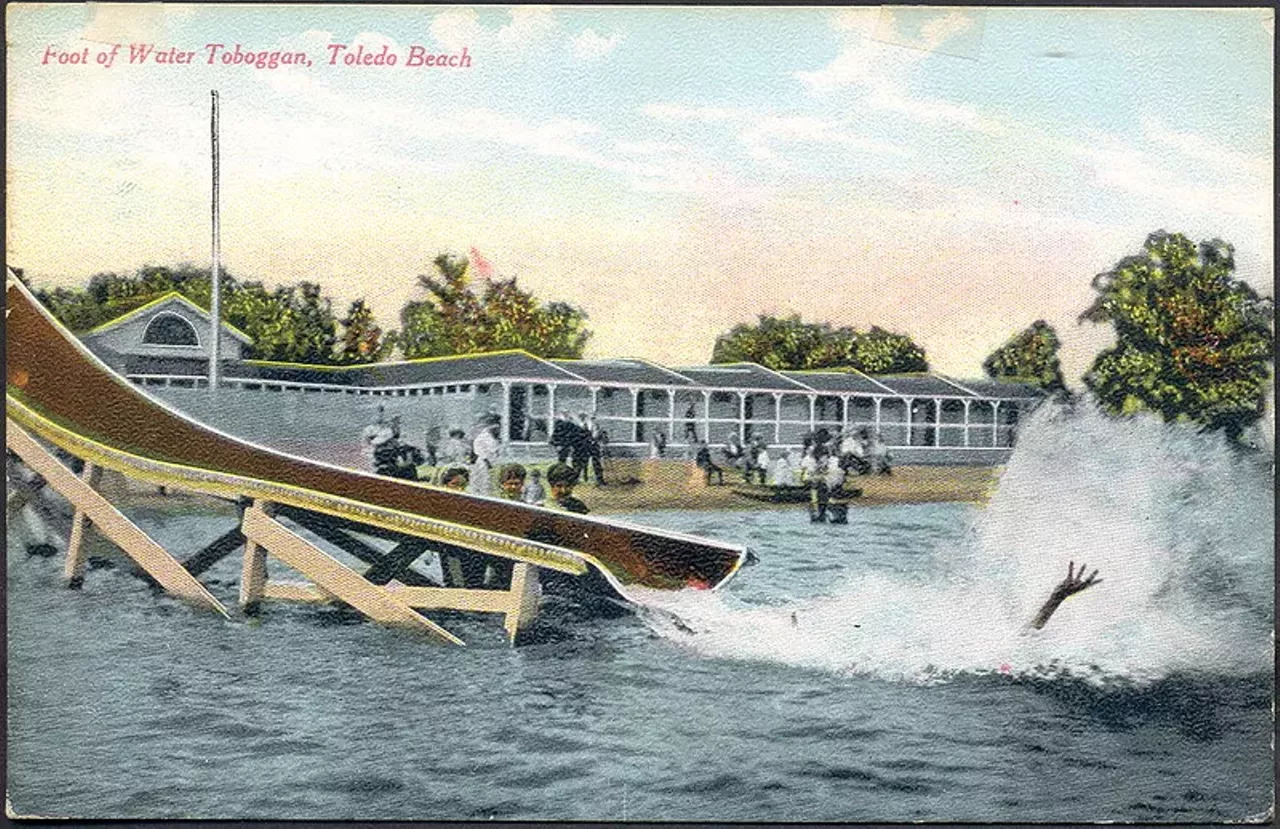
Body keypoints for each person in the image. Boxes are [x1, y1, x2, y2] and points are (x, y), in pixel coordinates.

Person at [1031, 562, 1102, 630]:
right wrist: (1071, 569)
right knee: (1040, 619)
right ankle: (1036, 625)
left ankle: (1036, 625)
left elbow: (1072, 576)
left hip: (1056, 599)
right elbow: (1071, 576)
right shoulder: (1068, 585)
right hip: (1056, 599)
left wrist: (1071, 569)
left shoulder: (1068, 586)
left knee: (1040, 618)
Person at [585, 412, 607, 485]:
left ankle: (599, 480)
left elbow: (601, 438)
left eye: (593, 418)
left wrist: (599, 441)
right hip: (586, 447)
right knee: (583, 464)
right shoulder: (585, 426)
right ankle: (585, 479)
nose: (592, 419)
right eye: (591, 418)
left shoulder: (598, 427)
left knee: (597, 464)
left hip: (594, 448)